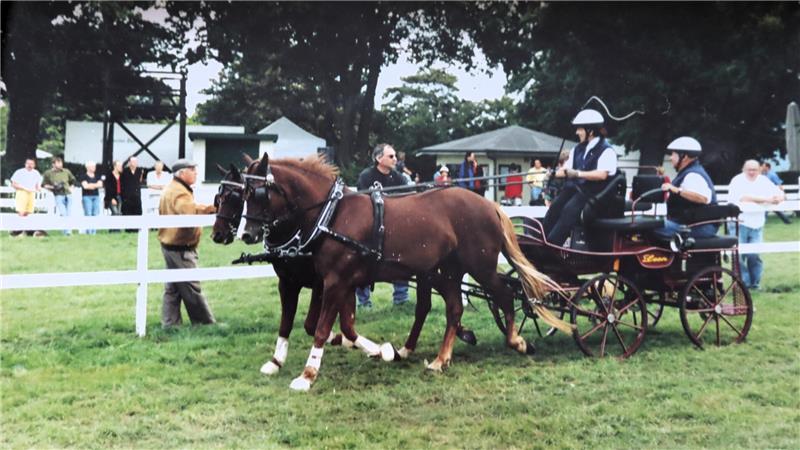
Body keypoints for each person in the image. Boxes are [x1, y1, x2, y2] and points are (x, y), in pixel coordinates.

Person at [542, 109, 618, 246]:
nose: (577, 132)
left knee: (568, 210)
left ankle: (552, 246)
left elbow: (602, 175)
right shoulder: (577, 149)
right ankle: (541, 240)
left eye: (580, 129)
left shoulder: (607, 151)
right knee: (555, 207)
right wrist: (552, 174)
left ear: (591, 130)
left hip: (594, 194)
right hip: (575, 190)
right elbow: (566, 170)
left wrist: (578, 174)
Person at [158, 158, 217, 327]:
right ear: (182, 173)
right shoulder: (179, 192)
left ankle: (170, 323)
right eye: (192, 169)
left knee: (173, 288)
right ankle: (205, 323)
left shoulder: (172, 188)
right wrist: (213, 209)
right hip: (180, 247)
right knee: (192, 287)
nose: (196, 172)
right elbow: (190, 211)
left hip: (169, 245)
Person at [355, 143, 410, 308]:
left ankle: (401, 299)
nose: (395, 159)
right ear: (379, 159)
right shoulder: (366, 176)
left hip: (394, 228)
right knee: (363, 261)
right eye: (391, 156)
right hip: (370, 228)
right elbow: (360, 203)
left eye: (395, 156)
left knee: (401, 260)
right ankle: (364, 303)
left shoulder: (399, 177)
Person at [728, 159, 785, 290]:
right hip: (739, 223)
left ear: (759, 170)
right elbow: (743, 197)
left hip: (757, 223)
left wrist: (780, 198)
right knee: (738, 256)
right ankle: (743, 284)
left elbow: (779, 192)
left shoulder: (763, 181)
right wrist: (766, 199)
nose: (752, 172)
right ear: (744, 169)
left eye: (754, 169)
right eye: (749, 169)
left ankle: (755, 284)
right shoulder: (737, 180)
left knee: (755, 255)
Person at [651, 136, 718, 243]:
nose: (670, 158)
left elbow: (703, 198)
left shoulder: (693, 174)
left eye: (673, 154)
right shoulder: (688, 172)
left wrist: (676, 190)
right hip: (690, 224)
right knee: (651, 223)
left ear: (684, 156)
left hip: (699, 227)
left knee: (650, 226)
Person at [42, 156, 77, 235]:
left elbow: (73, 181)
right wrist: (53, 187)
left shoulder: (66, 171)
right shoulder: (48, 173)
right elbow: (44, 185)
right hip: (58, 195)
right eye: (58, 163)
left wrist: (71, 188)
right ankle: (66, 232)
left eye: (61, 163)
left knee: (68, 213)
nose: (60, 164)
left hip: (68, 194)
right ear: (53, 164)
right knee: (63, 213)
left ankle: (67, 231)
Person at [9, 158, 43, 237]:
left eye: (31, 164)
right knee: (21, 212)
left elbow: (37, 185)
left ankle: (26, 231)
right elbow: (14, 184)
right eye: (28, 163)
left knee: (28, 213)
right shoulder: (19, 172)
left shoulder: (36, 173)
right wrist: (24, 188)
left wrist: (39, 188)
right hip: (22, 192)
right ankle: (17, 231)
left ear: (34, 165)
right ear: (25, 164)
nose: (29, 165)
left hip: (31, 193)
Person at [120, 157, 145, 231]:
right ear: (129, 163)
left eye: (135, 162)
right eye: (133, 162)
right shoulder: (125, 171)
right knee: (128, 212)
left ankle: (137, 229)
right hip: (127, 196)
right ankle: (128, 229)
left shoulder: (139, 171)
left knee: (137, 212)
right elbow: (122, 183)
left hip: (137, 196)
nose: (134, 163)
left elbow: (140, 180)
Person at [79, 161, 103, 235]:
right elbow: (85, 186)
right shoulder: (83, 176)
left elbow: (100, 185)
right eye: (93, 166)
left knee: (95, 214)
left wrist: (91, 185)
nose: (94, 168)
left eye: (94, 166)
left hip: (96, 196)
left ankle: (93, 232)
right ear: (88, 167)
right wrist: (95, 185)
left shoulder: (97, 175)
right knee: (88, 214)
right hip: (86, 197)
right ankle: (89, 231)